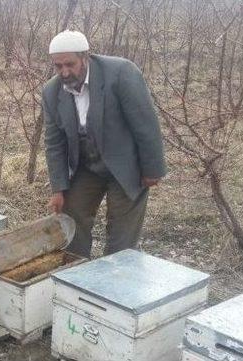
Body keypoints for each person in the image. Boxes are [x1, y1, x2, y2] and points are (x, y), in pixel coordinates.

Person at [42, 30, 166, 258]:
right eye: (58, 66)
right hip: (86, 166)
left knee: (121, 235)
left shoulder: (120, 74)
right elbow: (54, 143)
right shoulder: (52, 91)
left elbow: (145, 124)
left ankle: (115, 280)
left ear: (85, 57)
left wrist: (152, 170)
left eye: (70, 64)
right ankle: (75, 276)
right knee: (71, 218)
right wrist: (58, 188)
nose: (64, 72)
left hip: (125, 163)